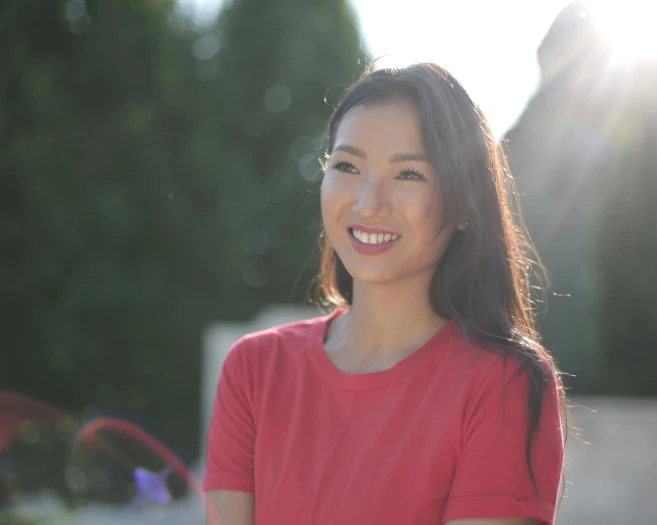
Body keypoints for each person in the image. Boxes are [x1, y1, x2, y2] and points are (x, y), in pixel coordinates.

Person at [203, 63, 567, 525]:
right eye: (348, 166)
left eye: (409, 175)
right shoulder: (254, 370)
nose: (368, 203)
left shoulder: (501, 386)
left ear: (464, 204)